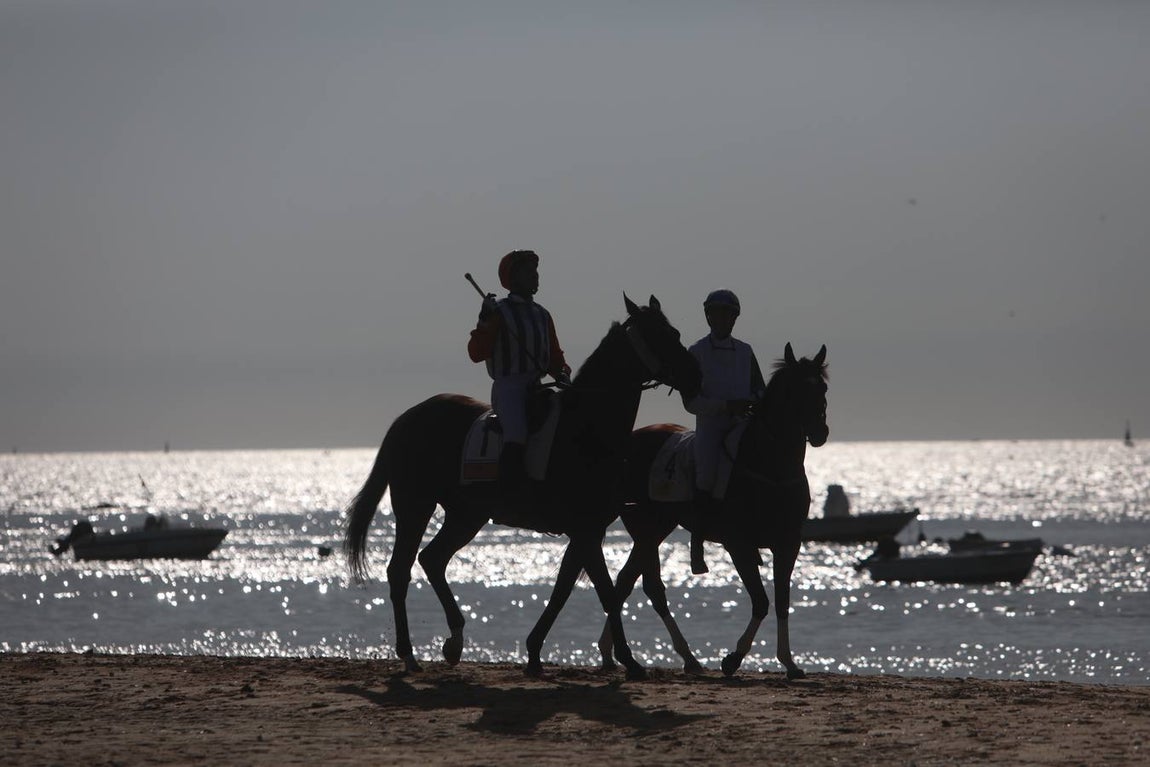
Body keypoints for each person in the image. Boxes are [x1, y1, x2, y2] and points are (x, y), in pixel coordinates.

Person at [467, 250, 570, 497]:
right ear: (512, 278)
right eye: (528, 271)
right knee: (516, 432)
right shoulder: (498, 312)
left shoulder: (543, 315)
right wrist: (484, 321)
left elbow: (555, 357)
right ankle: (509, 491)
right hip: (509, 388)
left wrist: (563, 374)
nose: (535, 276)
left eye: (535, 271)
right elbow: (476, 353)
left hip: (538, 387)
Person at [682, 288, 767, 574]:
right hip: (711, 425)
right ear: (708, 317)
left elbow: (759, 390)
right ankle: (697, 543)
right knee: (706, 474)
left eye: (728, 315)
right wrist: (725, 406)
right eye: (717, 314)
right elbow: (691, 402)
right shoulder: (696, 352)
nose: (723, 320)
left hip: (742, 423)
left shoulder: (745, 351)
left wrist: (751, 404)